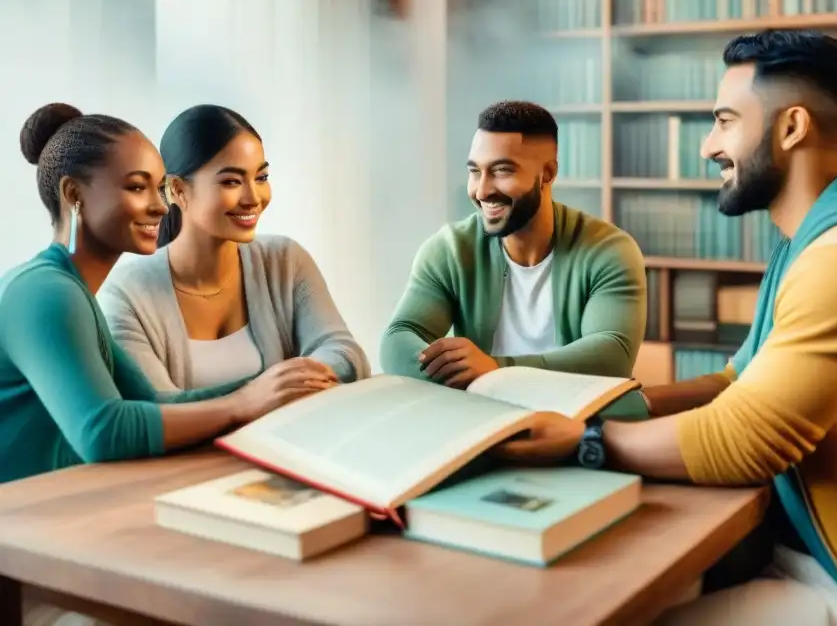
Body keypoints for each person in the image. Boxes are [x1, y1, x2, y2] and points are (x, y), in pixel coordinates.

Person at [493, 31, 837, 626]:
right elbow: (740, 380)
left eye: (725, 121)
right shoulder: (816, 241)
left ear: (791, 128)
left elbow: (746, 438)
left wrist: (586, 441)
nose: (709, 146)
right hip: (833, 558)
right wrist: (603, 408)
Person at [1, 103, 337, 626]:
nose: (160, 206)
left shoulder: (78, 293)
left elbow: (155, 407)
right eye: (138, 187)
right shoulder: (44, 292)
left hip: (58, 538)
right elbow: (103, 430)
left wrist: (276, 387)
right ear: (74, 195)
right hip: (22, 564)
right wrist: (245, 401)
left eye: (160, 188)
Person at [98, 104, 369, 391]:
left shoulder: (285, 260)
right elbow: (158, 410)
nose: (253, 197)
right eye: (231, 181)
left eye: (261, 178)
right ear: (177, 190)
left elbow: (344, 352)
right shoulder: (127, 293)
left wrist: (295, 380)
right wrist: (264, 392)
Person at [380, 100, 646, 388]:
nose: (482, 190)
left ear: (547, 173)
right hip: (484, 416)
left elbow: (612, 354)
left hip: (573, 421)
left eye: (502, 170)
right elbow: (398, 338)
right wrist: (457, 372)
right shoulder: (449, 251)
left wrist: (495, 369)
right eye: (475, 171)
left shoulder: (609, 250)